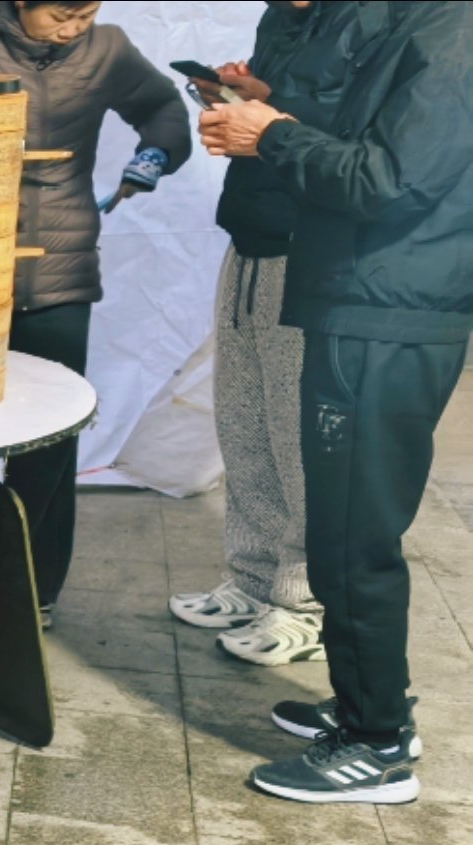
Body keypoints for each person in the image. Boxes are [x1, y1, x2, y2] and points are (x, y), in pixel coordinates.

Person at [200, 2, 473, 804]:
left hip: (386, 311)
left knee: (353, 537)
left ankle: (376, 745)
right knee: (340, 524)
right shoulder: (414, 25)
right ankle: (370, 706)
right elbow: (366, 139)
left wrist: (269, 137)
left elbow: (390, 181)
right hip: (360, 297)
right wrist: (270, 109)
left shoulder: (450, 33)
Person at [0, 1, 190, 627]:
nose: (73, 29)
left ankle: (34, 591)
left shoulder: (105, 49)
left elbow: (164, 109)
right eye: (60, 15)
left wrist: (154, 158)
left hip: (60, 272)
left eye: (84, 13)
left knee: (49, 442)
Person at [170, 1, 353, 666]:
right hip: (249, 231)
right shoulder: (282, 16)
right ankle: (250, 579)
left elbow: (366, 139)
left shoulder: (367, 19)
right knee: (242, 419)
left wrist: (274, 118)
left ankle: (301, 603)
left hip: (307, 245)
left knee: (293, 431)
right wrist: (245, 97)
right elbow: (286, 112)